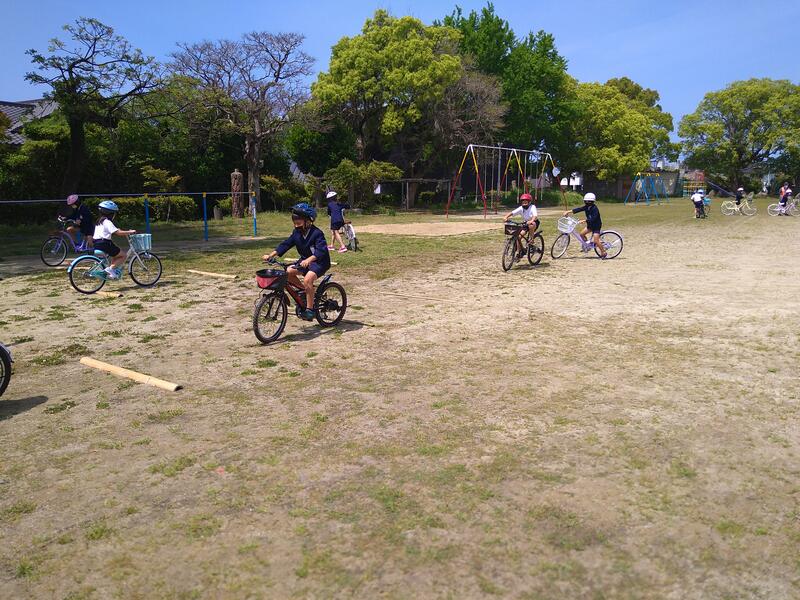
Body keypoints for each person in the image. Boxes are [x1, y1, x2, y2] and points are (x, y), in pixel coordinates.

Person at [263, 203, 331, 321]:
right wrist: (271, 255)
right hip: (304, 261)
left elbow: (321, 251)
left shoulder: (317, 233)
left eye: (298, 222)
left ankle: (310, 310)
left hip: (320, 262)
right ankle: (306, 291)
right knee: (288, 272)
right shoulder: (296, 233)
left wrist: (309, 259)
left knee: (308, 279)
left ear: (308, 221)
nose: (296, 225)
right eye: (294, 222)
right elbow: (286, 244)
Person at [92, 200, 136, 279]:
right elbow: (118, 233)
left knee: (115, 254)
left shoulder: (99, 221)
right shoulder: (107, 222)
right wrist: (130, 232)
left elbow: (112, 230)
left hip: (96, 243)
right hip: (104, 243)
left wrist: (118, 230)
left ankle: (112, 271)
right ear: (110, 213)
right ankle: (110, 269)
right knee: (123, 255)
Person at [563, 192, 607, 259]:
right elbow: (579, 209)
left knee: (596, 240)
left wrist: (585, 220)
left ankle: (603, 252)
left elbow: (594, 218)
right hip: (590, 225)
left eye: (588, 201)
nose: (586, 202)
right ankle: (587, 246)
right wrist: (568, 211)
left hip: (596, 226)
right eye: (586, 201)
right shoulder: (587, 207)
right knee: (581, 234)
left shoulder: (595, 208)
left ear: (592, 202)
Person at [504, 193, 540, 258]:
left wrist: (531, 220)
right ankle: (519, 252)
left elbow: (535, 215)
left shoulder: (532, 207)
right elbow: (512, 212)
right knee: (519, 236)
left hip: (534, 222)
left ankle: (531, 240)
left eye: (526, 202)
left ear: (529, 202)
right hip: (525, 223)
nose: (524, 204)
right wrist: (506, 217)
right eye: (523, 202)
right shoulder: (521, 208)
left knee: (531, 225)